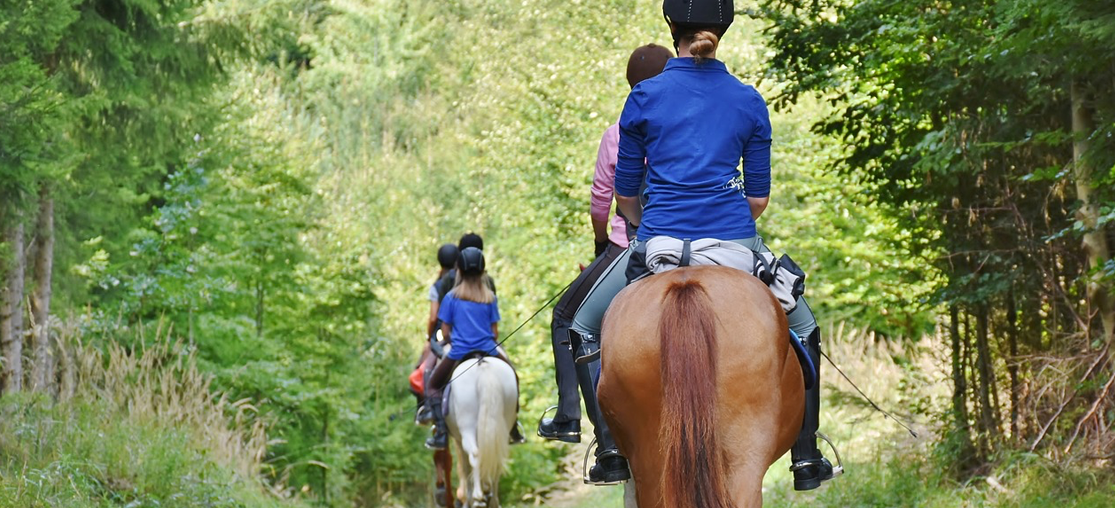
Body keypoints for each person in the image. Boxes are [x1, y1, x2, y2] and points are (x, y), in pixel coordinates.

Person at [568, 0, 837, 490]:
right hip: (735, 246)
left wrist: (642, 223)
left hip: (658, 245)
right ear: (723, 31)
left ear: (672, 26)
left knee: (584, 327)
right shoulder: (748, 100)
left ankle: (609, 449)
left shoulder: (645, 96)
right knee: (806, 328)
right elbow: (758, 199)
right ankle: (807, 454)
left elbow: (626, 195)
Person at [537, 44, 673, 448]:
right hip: (699, 238)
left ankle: (585, 427)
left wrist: (602, 242)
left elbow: (603, 201)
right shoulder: (688, 127)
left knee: (566, 317)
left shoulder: (618, 133)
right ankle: (805, 445)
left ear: (631, 85)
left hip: (632, 245)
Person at [424, 247, 522, 450]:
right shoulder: (489, 297)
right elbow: (494, 332)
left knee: (433, 385)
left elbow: (445, 330)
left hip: (459, 352)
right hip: (489, 349)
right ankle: (513, 426)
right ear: (482, 271)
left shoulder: (450, 297)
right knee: (513, 377)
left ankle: (441, 431)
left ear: (458, 270)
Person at [412, 243, 461, 424]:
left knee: (424, 370)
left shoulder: (439, 285)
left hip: (445, 333)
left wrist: (429, 338)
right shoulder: (472, 283)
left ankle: (426, 410)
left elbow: (434, 317)